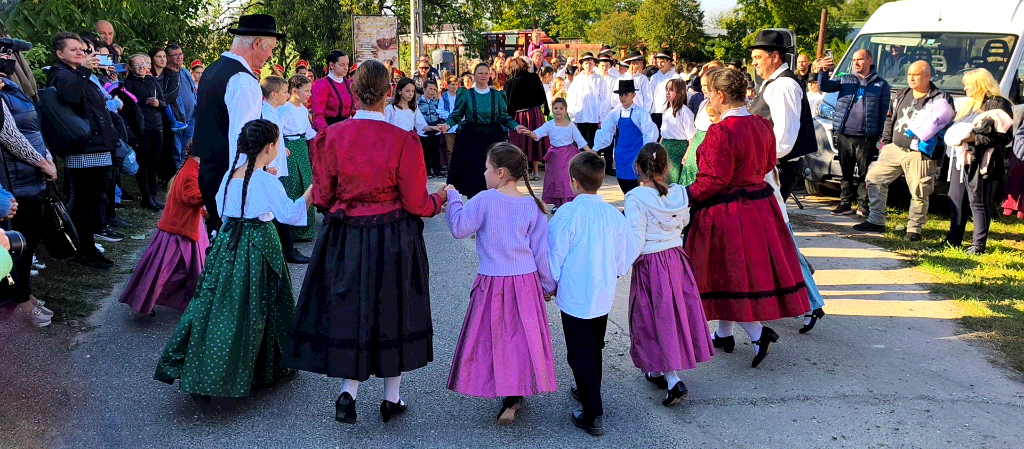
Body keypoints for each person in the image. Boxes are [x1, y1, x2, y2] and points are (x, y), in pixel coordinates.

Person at [284, 60, 447, 425]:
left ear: (354, 92)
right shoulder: (403, 140)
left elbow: (322, 198)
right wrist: (440, 199)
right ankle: (391, 398)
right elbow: (417, 204)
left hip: (347, 235)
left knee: (351, 308)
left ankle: (349, 392)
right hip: (394, 235)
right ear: (389, 93)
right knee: (393, 310)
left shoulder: (332, 137)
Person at [155, 118, 311, 399]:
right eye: (277, 144)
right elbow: (290, 214)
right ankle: (260, 368)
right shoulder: (266, 181)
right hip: (258, 246)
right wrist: (312, 190)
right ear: (269, 147)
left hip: (228, 245)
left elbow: (224, 211)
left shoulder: (230, 175)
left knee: (218, 308)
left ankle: (205, 370)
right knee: (259, 307)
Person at [685, 68, 810, 368]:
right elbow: (768, 163)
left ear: (720, 95)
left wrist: (684, 196)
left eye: (711, 95)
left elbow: (713, 180)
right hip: (758, 206)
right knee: (733, 273)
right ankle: (724, 333)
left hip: (727, 211)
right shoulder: (762, 124)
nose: (708, 100)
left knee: (727, 271)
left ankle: (757, 333)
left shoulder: (721, 132)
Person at [443, 142, 556, 425]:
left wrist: (453, 197)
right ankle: (516, 391)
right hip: (526, 282)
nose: (484, 173)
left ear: (501, 172)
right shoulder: (533, 206)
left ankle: (504, 388)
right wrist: (547, 285)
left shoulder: (484, 200)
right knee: (522, 337)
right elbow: (541, 252)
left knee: (495, 337)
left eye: (487, 168)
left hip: (493, 282)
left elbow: (459, 228)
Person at [547, 151, 633, 436]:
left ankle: (593, 412)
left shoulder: (567, 214)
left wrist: (549, 284)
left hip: (574, 295)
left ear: (574, 182)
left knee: (579, 352)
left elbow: (554, 255)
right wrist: (614, 271)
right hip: (602, 293)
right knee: (595, 345)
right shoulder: (613, 215)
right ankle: (589, 386)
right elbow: (624, 256)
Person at [624, 142, 714, 406]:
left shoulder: (636, 198)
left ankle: (673, 379)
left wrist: (620, 265)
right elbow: (683, 222)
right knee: (673, 314)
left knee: (653, 318)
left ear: (637, 168)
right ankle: (657, 370)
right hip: (676, 259)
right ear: (666, 168)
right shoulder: (678, 193)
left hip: (651, 263)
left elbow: (636, 238)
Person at [193, 14, 282, 235]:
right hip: (228, 179)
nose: (270, 55)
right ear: (257, 43)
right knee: (232, 247)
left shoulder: (213, 69)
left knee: (217, 242)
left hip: (210, 172)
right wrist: (242, 189)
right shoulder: (242, 80)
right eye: (271, 48)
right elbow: (242, 141)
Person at [854, 61, 954, 241]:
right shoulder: (901, 94)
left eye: (916, 74)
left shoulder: (940, 98)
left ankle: (914, 230)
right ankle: (876, 220)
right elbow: (889, 118)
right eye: (909, 74)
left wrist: (933, 142)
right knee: (875, 179)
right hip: (894, 148)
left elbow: (946, 123)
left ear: (927, 76)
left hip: (919, 153)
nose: (911, 78)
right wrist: (886, 143)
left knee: (919, 190)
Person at [47, 32, 118, 269]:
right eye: (74, 49)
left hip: (97, 146)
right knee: (83, 203)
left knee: (95, 199)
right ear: (60, 54)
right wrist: (85, 70)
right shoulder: (61, 74)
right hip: (82, 149)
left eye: (82, 49)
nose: (81, 52)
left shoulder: (81, 73)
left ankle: (89, 247)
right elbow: (71, 96)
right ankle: (82, 251)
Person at [118, 146, 208, 317]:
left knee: (168, 270)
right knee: (163, 272)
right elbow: (192, 197)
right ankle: (146, 300)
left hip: (184, 228)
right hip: (179, 231)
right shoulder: (191, 172)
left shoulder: (191, 168)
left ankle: (194, 302)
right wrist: (211, 193)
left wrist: (204, 209)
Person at [0, 77, 56, 327]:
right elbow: (10, 136)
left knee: (28, 242)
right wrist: (41, 162)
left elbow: (33, 131)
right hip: (12, 181)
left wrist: (47, 156)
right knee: (14, 247)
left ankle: (25, 294)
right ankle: (19, 301)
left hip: (29, 176)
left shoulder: (13, 87)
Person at [937, 68, 1013, 254]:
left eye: (968, 85)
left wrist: (972, 139)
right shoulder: (968, 105)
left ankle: (978, 246)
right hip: (960, 159)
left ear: (979, 84)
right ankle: (953, 241)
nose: (964, 88)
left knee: (978, 202)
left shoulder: (998, 104)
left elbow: (1003, 137)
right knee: (956, 199)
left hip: (981, 161)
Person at [817, 50, 891, 216]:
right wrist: (823, 71)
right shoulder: (845, 79)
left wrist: (881, 136)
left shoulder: (881, 85)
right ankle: (845, 203)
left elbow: (884, 113)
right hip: (845, 134)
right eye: (854, 60)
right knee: (846, 172)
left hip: (866, 136)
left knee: (865, 173)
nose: (856, 63)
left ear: (870, 61)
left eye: (860, 59)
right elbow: (824, 86)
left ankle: (863, 204)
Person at [747, 30, 817, 201]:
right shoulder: (772, 83)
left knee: (768, 215)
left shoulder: (784, 85)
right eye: (753, 58)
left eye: (758, 57)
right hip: (771, 165)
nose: (754, 63)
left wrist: (762, 163)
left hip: (778, 166)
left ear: (775, 56)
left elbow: (784, 135)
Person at [444, 62, 527, 198]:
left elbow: (504, 117)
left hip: (492, 138)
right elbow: (457, 114)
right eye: (480, 73)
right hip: (471, 138)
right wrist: (447, 125)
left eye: (486, 73)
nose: (483, 76)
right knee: (473, 174)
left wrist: (516, 126)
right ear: (474, 75)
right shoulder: (466, 94)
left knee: (493, 170)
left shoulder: (497, 95)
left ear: (490, 75)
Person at [260, 75, 308, 264]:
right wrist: (267, 165)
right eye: (285, 92)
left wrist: (282, 148)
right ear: (274, 94)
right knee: (278, 206)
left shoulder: (273, 111)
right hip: (271, 167)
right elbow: (263, 142)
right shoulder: (265, 114)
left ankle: (285, 248)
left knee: (278, 206)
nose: (288, 95)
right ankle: (287, 249)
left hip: (277, 165)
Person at [522, 97, 592, 208]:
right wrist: (528, 132)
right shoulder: (549, 124)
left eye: (561, 108)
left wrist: (590, 151)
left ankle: (567, 202)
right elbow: (537, 134)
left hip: (568, 156)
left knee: (566, 179)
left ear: (566, 110)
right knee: (555, 179)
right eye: (555, 108)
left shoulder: (571, 125)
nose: (558, 111)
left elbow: (580, 140)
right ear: (552, 109)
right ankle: (557, 203)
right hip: (554, 156)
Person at [594, 79, 659, 194]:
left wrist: (647, 153)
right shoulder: (615, 113)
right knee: (622, 181)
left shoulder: (641, 113)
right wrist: (595, 148)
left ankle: (630, 204)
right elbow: (606, 131)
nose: (623, 97)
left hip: (635, 154)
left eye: (626, 94)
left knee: (632, 184)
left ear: (633, 95)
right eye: (621, 95)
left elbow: (649, 132)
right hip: (621, 154)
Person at [124, 53, 167, 210]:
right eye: (137, 65)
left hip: (157, 125)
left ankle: (153, 195)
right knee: (144, 162)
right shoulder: (128, 83)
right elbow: (128, 106)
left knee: (154, 162)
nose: (142, 67)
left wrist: (157, 103)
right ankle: (146, 196)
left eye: (144, 64)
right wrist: (143, 102)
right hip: (142, 128)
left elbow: (163, 103)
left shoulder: (152, 80)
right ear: (131, 67)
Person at [278, 75, 318, 242]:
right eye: (306, 91)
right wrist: (281, 147)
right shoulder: (284, 109)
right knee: (293, 183)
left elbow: (308, 132)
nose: (309, 94)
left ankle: (306, 230)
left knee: (306, 183)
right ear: (294, 91)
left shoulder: (302, 109)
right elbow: (277, 129)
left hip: (301, 146)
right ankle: (292, 231)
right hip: (289, 147)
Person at [504, 57, 549, 180]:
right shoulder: (534, 77)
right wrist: (545, 110)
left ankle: (525, 171)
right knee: (535, 141)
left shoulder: (510, 83)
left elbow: (507, 103)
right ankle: (536, 171)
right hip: (535, 114)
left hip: (519, 117)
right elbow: (542, 97)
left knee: (520, 143)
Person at [566, 53, 605, 151]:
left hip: (594, 117)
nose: (588, 66)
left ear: (594, 64)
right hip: (580, 116)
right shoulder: (577, 79)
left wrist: (601, 117)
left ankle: (593, 160)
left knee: (593, 144)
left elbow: (604, 99)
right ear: (582, 65)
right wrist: (572, 115)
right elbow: (571, 98)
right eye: (586, 63)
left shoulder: (599, 79)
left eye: (590, 63)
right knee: (580, 144)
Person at [660, 79, 696, 185]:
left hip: (678, 149)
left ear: (681, 93)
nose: (668, 92)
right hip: (665, 148)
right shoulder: (666, 110)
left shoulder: (685, 112)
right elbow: (663, 134)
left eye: (671, 90)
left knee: (674, 181)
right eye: (667, 89)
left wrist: (687, 155)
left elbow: (691, 137)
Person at [167, 44, 197, 168]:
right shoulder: (167, 74)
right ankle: (176, 176)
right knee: (176, 151)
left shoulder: (184, 71)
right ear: (168, 57)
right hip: (177, 119)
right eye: (175, 55)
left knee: (187, 149)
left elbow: (193, 92)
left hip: (191, 117)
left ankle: (185, 174)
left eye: (180, 54)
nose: (179, 57)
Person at [310, 50, 356, 132]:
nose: (346, 68)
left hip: (347, 129)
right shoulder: (321, 85)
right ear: (331, 65)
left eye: (347, 64)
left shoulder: (350, 84)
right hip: (329, 129)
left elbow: (355, 109)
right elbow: (318, 115)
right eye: (342, 65)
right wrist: (326, 132)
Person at [417, 79, 445, 177]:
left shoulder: (436, 102)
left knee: (435, 151)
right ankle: (427, 170)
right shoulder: (418, 103)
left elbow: (440, 114)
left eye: (434, 89)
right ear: (424, 89)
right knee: (425, 151)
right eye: (430, 89)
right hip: (424, 131)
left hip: (435, 129)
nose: (433, 91)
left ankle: (437, 170)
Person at [649, 49, 680, 131]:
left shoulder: (676, 77)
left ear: (669, 62)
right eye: (658, 61)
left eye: (662, 62)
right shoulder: (654, 77)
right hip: (654, 112)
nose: (659, 64)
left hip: (669, 113)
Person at [438, 75, 459, 169]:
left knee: (459, 147)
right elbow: (440, 111)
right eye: (452, 84)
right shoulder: (444, 98)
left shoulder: (460, 97)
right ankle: (451, 167)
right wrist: (449, 115)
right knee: (450, 149)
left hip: (459, 126)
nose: (454, 87)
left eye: (456, 84)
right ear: (448, 85)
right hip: (449, 126)